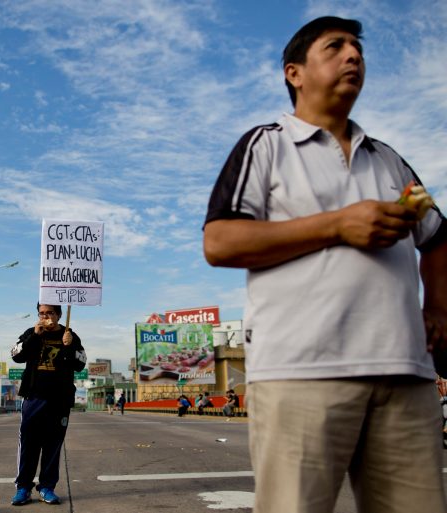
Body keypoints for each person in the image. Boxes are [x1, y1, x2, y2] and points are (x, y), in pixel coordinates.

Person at [203, 15, 447, 513]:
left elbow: (439, 237)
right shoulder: (266, 145)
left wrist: (438, 306)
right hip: (301, 372)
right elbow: (220, 241)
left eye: (357, 48)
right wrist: (336, 225)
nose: (353, 56)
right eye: (335, 47)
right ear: (294, 72)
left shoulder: (389, 160)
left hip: (406, 373)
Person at [10, 303, 86, 506]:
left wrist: (69, 346)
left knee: (53, 445)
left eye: (50, 313)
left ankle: (47, 487)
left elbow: (81, 364)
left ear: (59, 315)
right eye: (42, 313)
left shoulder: (71, 335)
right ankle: (23, 488)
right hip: (34, 397)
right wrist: (34, 335)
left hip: (59, 399)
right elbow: (16, 355)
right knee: (28, 443)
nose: (46, 317)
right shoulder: (31, 332)